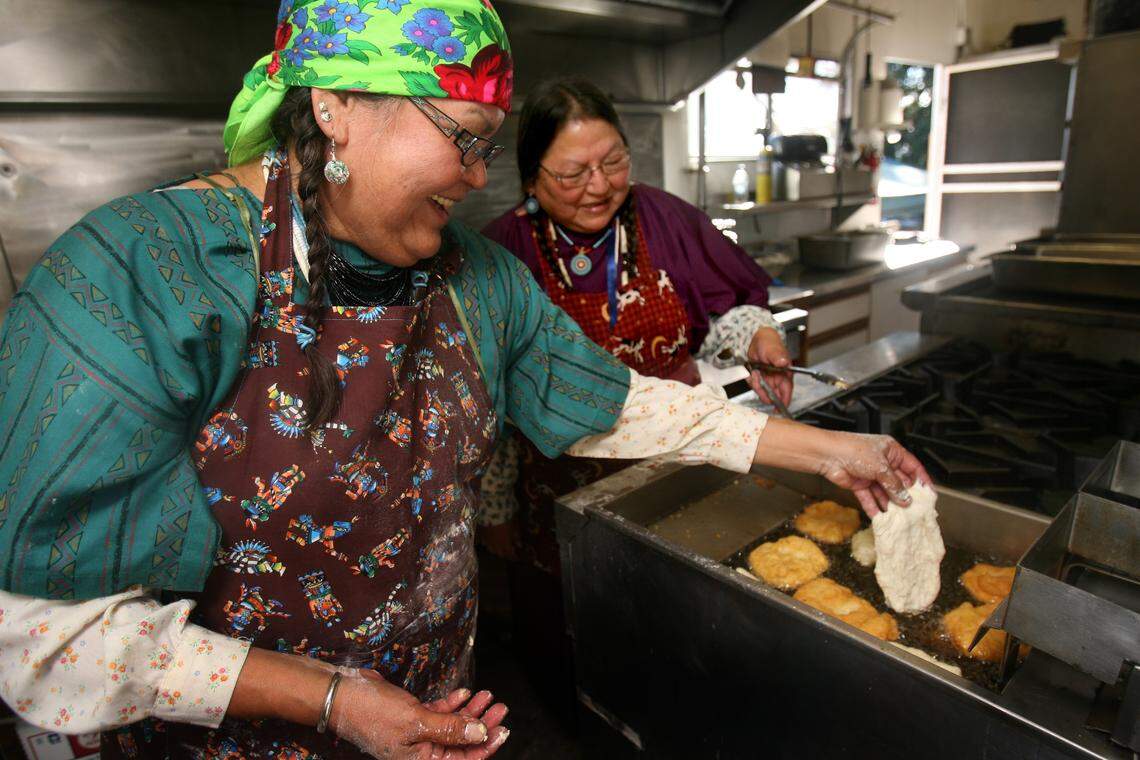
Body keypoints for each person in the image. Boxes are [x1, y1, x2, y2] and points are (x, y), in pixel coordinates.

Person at [0, 8, 927, 760]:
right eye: (465, 139)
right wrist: (333, 701)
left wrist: (826, 450)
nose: (481, 180)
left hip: (427, 722)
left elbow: (613, 398)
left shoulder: (477, 278)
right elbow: (41, 638)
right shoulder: (148, 274)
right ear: (336, 107)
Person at [476, 77, 797, 718]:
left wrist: (758, 332)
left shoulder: (664, 217)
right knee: (573, 636)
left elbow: (728, 307)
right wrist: (496, 505)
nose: (599, 186)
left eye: (613, 161)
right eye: (572, 173)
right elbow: (490, 399)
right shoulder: (500, 253)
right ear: (531, 176)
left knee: (677, 628)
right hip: (557, 488)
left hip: (676, 467)